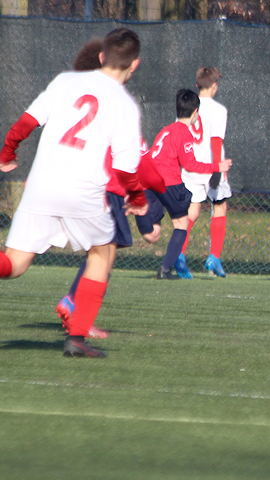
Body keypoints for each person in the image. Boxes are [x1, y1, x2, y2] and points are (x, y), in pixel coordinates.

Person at [0, 28, 146, 358]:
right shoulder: (124, 105)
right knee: (102, 252)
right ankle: (77, 338)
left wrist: (8, 152)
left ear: (101, 56)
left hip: (40, 186)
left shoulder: (65, 82)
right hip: (83, 190)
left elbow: (25, 123)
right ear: (134, 65)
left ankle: (77, 335)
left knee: (14, 264)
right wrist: (137, 199)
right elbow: (125, 170)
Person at [54, 40, 162, 339]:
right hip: (105, 191)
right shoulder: (118, 104)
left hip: (71, 187)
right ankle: (76, 309)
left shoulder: (70, 101)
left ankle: (74, 305)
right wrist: (155, 209)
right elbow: (138, 161)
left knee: (95, 255)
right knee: (104, 258)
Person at [140, 89, 232, 279]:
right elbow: (190, 165)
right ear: (195, 112)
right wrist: (217, 166)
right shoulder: (184, 133)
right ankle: (165, 270)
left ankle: (139, 214)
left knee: (152, 234)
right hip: (167, 181)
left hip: (148, 179)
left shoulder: (166, 130)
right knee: (181, 223)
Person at [177, 67, 231, 278]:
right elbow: (216, 140)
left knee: (192, 211)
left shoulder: (188, 106)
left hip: (190, 165)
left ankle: (179, 254)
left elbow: (179, 133)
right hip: (211, 165)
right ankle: (214, 258)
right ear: (214, 85)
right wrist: (218, 167)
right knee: (219, 207)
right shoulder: (218, 110)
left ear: (197, 84)